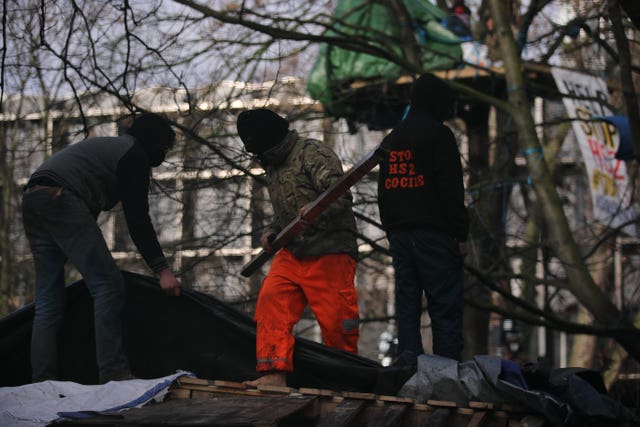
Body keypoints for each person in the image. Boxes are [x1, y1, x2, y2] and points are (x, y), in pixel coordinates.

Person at [22, 112, 182, 384]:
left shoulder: (108, 150)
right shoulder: (134, 155)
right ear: (154, 142)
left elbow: (86, 215)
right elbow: (138, 219)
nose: (163, 156)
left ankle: (42, 381)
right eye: (164, 149)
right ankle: (114, 373)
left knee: (48, 299)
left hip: (33, 198)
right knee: (107, 284)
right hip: (61, 197)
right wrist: (162, 270)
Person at [236, 108, 360, 387]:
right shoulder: (273, 166)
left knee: (337, 322)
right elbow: (284, 216)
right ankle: (273, 374)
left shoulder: (312, 153)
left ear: (271, 142)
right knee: (271, 301)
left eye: (259, 151)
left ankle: (347, 380)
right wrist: (272, 232)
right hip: (293, 252)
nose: (258, 158)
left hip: (330, 250)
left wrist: (317, 210)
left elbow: (341, 197)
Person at [377, 73, 469, 364]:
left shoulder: (393, 138)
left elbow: (384, 190)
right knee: (444, 306)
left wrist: (391, 229)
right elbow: (451, 189)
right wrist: (460, 233)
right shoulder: (439, 135)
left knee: (407, 304)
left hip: (401, 235)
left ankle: (408, 367)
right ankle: (445, 373)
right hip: (436, 234)